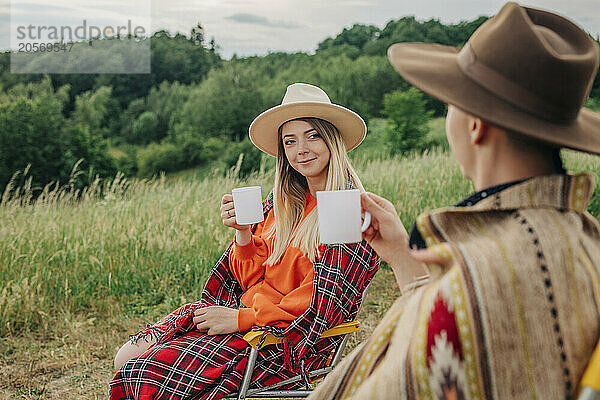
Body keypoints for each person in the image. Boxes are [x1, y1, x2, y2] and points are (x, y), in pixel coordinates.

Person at [308, 3, 600, 399]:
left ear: (476, 126)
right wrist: (399, 253)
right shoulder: (585, 239)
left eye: (450, 103)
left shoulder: (478, 276)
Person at [109, 83, 379, 400]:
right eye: (290, 141)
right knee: (125, 355)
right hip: (245, 318)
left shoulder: (344, 209)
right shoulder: (281, 201)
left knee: (138, 375)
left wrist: (241, 319)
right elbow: (247, 277)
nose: (301, 149)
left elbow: (324, 303)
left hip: (285, 341)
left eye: (312, 136)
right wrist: (242, 232)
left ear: (333, 140)